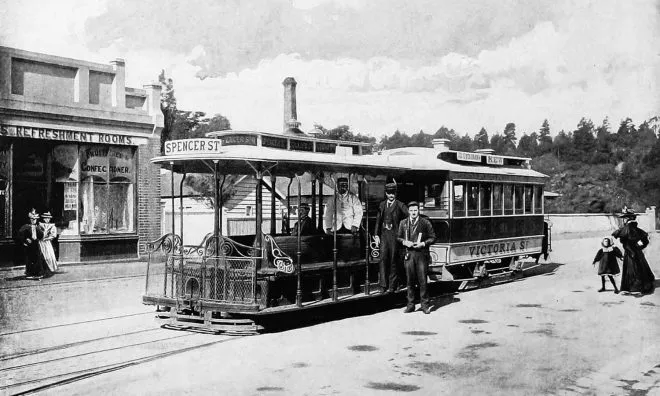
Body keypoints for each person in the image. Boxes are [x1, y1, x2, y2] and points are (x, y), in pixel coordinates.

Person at [397, 201, 436, 314]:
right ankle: (410, 305)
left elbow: (433, 237)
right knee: (409, 281)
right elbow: (398, 238)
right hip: (409, 254)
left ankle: (425, 305)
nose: (413, 212)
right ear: (408, 211)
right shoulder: (403, 223)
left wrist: (423, 244)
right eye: (411, 210)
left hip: (421, 255)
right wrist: (405, 242)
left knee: (422, 280)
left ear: (419, 211)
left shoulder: (425, 222)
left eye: (415, 210)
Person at [374, 182, 408, 293]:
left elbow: (409, 217)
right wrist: (376, 235)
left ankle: (392, 286)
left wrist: (402, 231)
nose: (391, 195)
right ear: (386, 193)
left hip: (395, 236)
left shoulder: (400, 205)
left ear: (395, 194)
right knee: (383, 259)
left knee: (394, 260)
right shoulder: (382, 205)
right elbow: (378, 221)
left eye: (393, 193)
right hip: (384, 236)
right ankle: (383, 285)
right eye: (389, 193)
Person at [612, 208, 655, 295]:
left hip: (630, 252)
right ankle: (638, 286)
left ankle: (636, 288)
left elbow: (625, 242)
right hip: (635, 252)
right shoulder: (633, 228)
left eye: (625, 217)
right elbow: (644, 241)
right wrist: (639, 246)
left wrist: (634, 249)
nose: (624, 219)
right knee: (638, 267)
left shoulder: (627, 228)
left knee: (634, 269)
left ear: (629, 218)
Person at [17, 208, 47, 279]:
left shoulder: (37, 227)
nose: (34, 220)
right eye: (32, 219)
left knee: (37, 258)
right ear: (30, 219)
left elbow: (41, 235)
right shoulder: (26, 227)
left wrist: (43, 231)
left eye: (35, 219)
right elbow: (20, 235)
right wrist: (25, 240)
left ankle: (37, 273)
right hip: (29, 245)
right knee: (29, 259)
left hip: (35, 244)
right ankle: (30, 273)